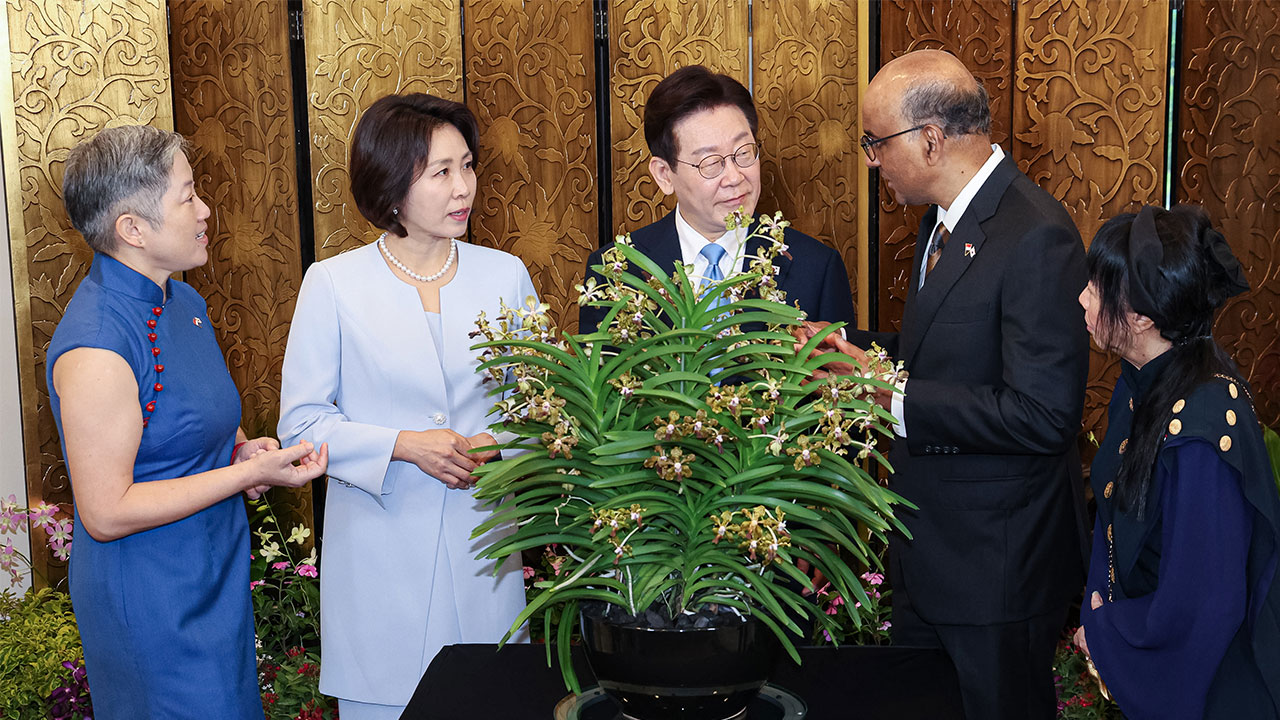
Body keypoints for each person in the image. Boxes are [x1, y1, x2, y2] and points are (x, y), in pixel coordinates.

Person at [800, 49, 1090, 719]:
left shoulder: (1034, 235)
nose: (871, 160)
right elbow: (942, 358)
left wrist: (889, 397)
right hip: (934, 557)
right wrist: (847, 348)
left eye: (876, 142)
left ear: (930, 140)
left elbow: (1043, 413)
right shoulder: (942, 222)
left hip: (997, 571)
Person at [47, 125, 328, 718]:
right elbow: (106, 511)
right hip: (150, 593)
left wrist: (243, 453)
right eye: (187, 196)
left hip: (212, 571)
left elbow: (191, 427)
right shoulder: (97, 344)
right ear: (132, 228)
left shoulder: (184, 303)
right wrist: (242, 477)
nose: (206, 210)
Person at [278, 93, 534, 719]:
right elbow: (302, 425)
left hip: (485, 554)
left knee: (491, 699)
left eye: (467, 166)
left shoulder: (504, 275)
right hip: (378, 567)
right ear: (391, 185)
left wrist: (499, 443)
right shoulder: (333, 283)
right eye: (441, 172)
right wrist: (402, 444)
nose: (463, 187)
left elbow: (545, 410)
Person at [1073, 205, 1280, 719]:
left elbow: (1204, 603)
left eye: (1097, 287)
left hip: (1215, 691)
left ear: (1142, 316)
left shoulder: (1203, 429)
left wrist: (1109, 631)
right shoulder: (1144, 378)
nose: (1082, 297)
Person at [579, 64, 854, 335]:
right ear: (664, 175)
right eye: (710, 163)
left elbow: (838, 376)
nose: (734, 177)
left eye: (743, 152)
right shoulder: (615, 272)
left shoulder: (817, 269)